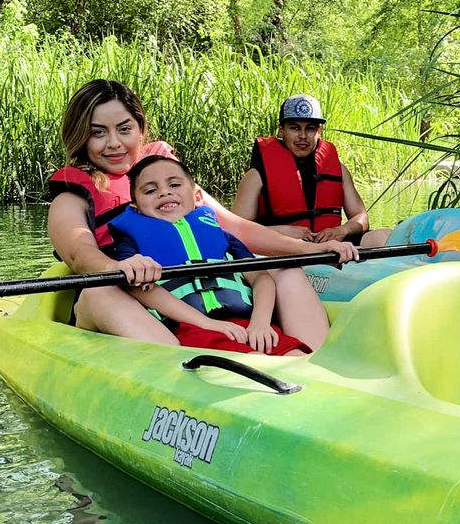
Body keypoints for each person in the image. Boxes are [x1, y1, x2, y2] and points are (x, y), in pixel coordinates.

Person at [46, 79, 357, 349]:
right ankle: (184, 380)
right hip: (132, 299)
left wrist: (313, 250)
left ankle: (314, 363)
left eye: (124, 129)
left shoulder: (168, 179)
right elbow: (79, 255)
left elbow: (236, 227)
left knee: (287, 270)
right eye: (98, 133)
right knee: (100, 291)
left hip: (202, 292)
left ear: (140, 130)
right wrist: (122, 266)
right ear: (81, 137)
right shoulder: (73, 195)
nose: (113, 143)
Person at [110, 155, 308, 355]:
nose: (164, 192)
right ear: (136, 208)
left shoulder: (222, 237)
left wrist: (261, 322)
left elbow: (261, 278)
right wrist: (208, 324)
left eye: (175, 184)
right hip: (192, 330)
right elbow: (139, 288)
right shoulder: (130, 245)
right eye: (151, 190)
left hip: (247, 323)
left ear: (197, 196)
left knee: (295, 356)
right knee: (256, 361)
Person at [232, 94, 392, 248]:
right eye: (294, 128)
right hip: (283, 249)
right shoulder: (256, 176)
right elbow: (236, 230)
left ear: (319, 131)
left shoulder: (339, 170)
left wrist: (342, 230)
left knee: (383, 236)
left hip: (332, 247)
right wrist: (280, 232)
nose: (303, 136)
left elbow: (361, 217)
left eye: (310, 129)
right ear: (281, 130)